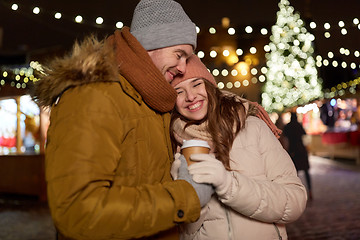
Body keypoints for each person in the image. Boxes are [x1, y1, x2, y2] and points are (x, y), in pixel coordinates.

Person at [32, 0, 214, 239]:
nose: (183, 68)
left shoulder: (149, 99)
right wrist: (186, 196)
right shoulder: (93, 96)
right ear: (151, 43)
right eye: (179, 55)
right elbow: (78, 212)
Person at [170, 55, 308, 239]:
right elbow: (185, 233)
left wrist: (228, 184)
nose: (191, 96)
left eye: (196, 84)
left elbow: (295, 203)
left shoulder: (253, 127)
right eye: (179, 91)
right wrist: (187, 194)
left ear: (210, 85)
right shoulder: (174, 144)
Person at [283, 112, 313, 200]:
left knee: (295, 173)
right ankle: (310, 190)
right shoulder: (299, 125)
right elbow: (304, 134)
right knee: (306, 172)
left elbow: (285, 138)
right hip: (301, 150)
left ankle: (297, 193)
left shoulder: (287, 127)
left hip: (292, 151)